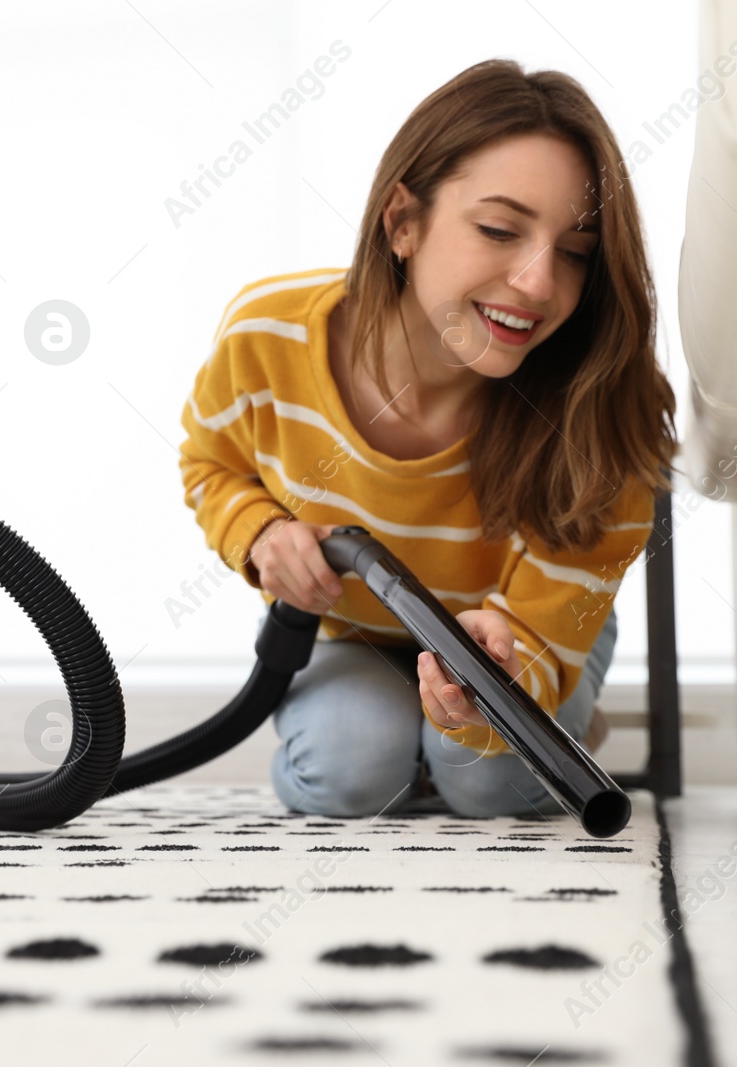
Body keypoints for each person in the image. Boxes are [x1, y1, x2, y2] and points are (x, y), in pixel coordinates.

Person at [177, 59, 677, 818]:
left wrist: (504, 669)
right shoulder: (265, 337)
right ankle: (407, 745)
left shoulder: (597, 412)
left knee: (482, 782)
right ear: (402, 222)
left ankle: (509, 732)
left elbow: (532, 632)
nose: (540, 284)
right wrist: (259, 531)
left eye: (574, 252)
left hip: (523, 622)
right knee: (349, 778)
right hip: (352, 627)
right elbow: (210, 462)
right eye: (500, 230)